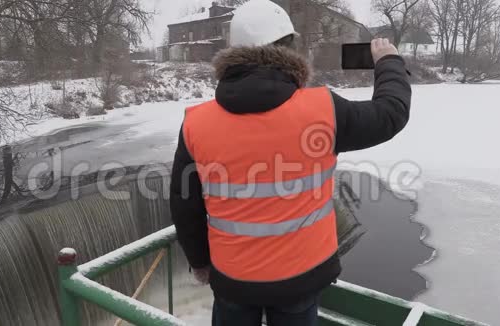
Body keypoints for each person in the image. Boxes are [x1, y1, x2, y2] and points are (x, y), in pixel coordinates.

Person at [170, 0, 411, 325]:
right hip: (301, 280)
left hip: (232, 281)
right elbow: (390, 114)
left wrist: (200, 262)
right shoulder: (323, 110)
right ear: (289, 49)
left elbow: (185, 204)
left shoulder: (196, 124)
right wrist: (389, 63)